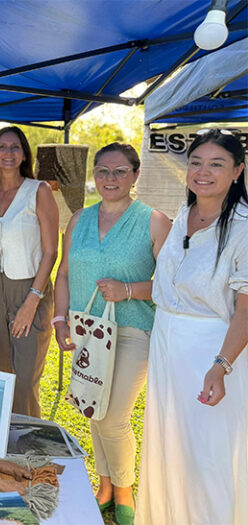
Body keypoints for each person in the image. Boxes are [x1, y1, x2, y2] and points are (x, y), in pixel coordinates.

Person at [53, 143, 171, 524]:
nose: (110, 178)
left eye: (120, 171)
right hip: (88, 332)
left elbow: (174, 284)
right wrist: (59, 320)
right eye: (102, 171)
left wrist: (130, 290)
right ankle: (104, 487)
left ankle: (124, 492)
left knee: (113, 416)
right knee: (93, 408)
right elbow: (65, 274)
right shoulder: (79, 220)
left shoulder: (154, 221)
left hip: (133, 328)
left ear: (136, 175)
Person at [136, 129, 248, 525]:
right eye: (196, 162)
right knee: (172, 448)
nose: (203, 171)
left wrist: (221, 365)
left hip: (211, 352)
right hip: (168, 345)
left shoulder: (243, 227)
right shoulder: (182, 215)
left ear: (238, 171)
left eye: (216, 164)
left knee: (208, 455)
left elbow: (245, 311)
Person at [0, 126, 59, 417]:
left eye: (15, 147)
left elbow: (50, 251)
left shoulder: (39, 191)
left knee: (23, 379)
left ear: (24, 155)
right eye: (2, 147)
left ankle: (26, 448)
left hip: (28, 289)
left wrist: (33, 300)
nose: (8, 153)